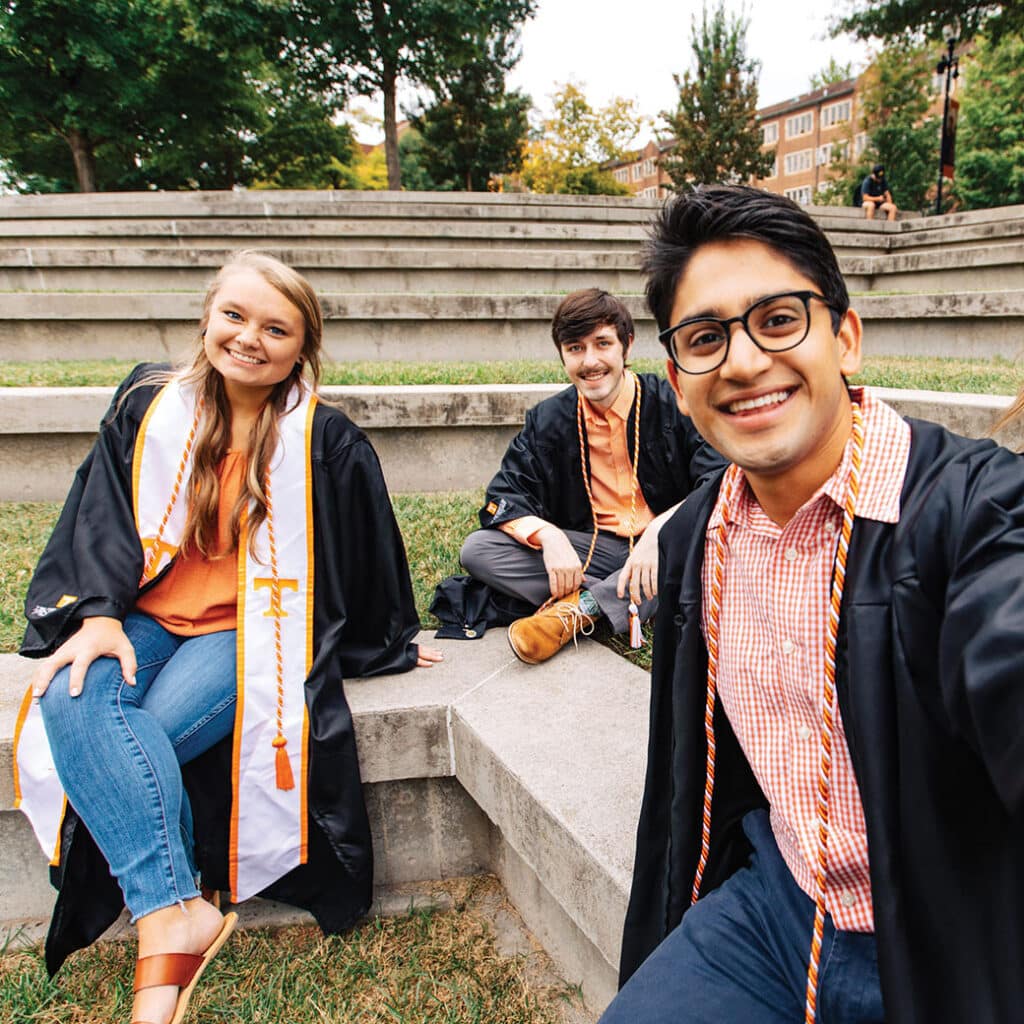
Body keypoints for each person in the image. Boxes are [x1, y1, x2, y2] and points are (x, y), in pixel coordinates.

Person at [604, 185, 1024, 1024]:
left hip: (947, 931)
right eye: (705, 338)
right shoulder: (700, 542)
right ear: (679, 380)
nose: (744, 361)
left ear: (847, 338)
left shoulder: (975, 510)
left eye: (779, 319)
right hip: (778, 906)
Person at [13, 251, 442, 1024]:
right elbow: (101, 513)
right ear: (207, 317)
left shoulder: (323, 438)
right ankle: (174, 912)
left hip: (245, 632)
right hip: (139, 615)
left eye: (276, 328)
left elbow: (367, 548)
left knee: (135, 737)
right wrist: (100, 614)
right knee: (72, 694)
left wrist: (389, 640)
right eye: (234, 316)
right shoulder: (148, 403)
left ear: (302, 348)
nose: (250, 338)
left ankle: (164, 940)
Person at [458, 287, 722, 664]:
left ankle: (578, 610)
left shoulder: (674, 403)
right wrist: (550, 537)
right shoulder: (548, 420)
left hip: (669, 542)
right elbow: (506, 494)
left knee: (698, 552)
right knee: (479, 550)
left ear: (626, 346)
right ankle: (627, 594)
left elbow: (720, 478)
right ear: (562, 355)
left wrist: (661, 531)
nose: (591, 361)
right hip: (595, 548)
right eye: (576, 348)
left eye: (602, 344)